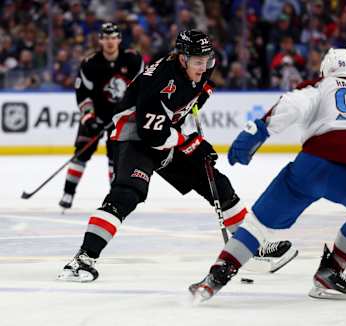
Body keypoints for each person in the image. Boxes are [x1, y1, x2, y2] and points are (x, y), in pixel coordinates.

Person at [57, 29, 297, 282]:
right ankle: (81, 259)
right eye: (197, 62)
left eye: (206, 61)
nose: (203, 67)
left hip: (165, 134)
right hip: (135, 137)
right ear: (181, 58)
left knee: (217, 182)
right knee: (127, 194)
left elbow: (183, 113)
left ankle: (251, 247)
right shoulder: (158, 80)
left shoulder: (201, 70)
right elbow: (152, 136)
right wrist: (189, 142)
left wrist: (194, 142)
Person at [189, 48, 346, 302]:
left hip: (316, 165)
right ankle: (331, 272)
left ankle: (216, 276)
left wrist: (258, 130)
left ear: (325, 70)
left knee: (259, 224)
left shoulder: (321, 85)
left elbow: (292, 105)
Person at [59, 22, 144, 210]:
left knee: (117, 158)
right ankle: (68, 192)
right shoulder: (90, 63)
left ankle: (114, 197)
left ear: (119, 39)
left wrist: (131, 113)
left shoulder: (133, 59)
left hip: (122, 117)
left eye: (113, 37)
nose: (110, 41)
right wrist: (89, 119)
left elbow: (142, 89)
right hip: (97, 115)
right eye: (106, 38)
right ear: (100, 40)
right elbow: (82, 93)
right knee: (81, 153)